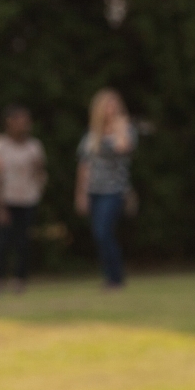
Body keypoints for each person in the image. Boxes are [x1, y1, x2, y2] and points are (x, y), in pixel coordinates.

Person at [75, 89, 136, 289]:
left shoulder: (125, 129)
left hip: (115, 190)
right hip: (95, 190)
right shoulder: (91, 135)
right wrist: (81, 193)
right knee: (100, 234)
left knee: (103, 232)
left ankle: (115, 277)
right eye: (108, 105)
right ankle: (111, 276)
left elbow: (123, 148)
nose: (112, 109)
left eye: (115, 104)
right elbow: (84, 166)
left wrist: (118, 127)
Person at [0, 106, 46, 291]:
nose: (25, 124)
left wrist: (38, 187)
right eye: (21, 120)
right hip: (6, 200)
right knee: (3, 242)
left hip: (28, 200)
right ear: (9, 122)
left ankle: (20, 279)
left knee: (23, 242)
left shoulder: (34, 146)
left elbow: (40, 173)